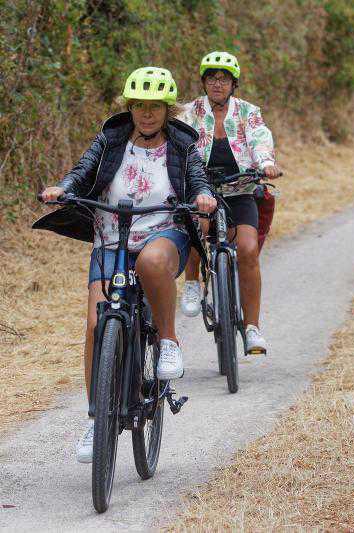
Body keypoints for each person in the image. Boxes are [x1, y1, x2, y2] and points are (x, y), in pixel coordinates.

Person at [36, 67, 217, 463]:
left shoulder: (183, 143)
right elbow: (82, 171)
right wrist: (64, 190)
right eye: (139, 106)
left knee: (152, 263)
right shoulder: (112, 137)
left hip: (162, 232)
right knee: (95, 325)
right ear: (129, 107)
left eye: (154, 107)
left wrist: (203, 197)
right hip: (111, 238)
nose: (146, 114)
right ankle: (97, 418)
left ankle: (167, 340)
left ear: (168, 110)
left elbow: (198, 180)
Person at [178, 51, 280, 354]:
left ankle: (252, 329)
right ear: (204, 82)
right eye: (211, 78)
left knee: (248, 250)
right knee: (197, 224)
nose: (217, 83)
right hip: (202, 190)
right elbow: (178, 140)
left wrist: (266, 162)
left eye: (223, 78)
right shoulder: (190, 111)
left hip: (240, 190)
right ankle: (193, 283)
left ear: (233, 84)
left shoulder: (248, 112)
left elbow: (261, 138)